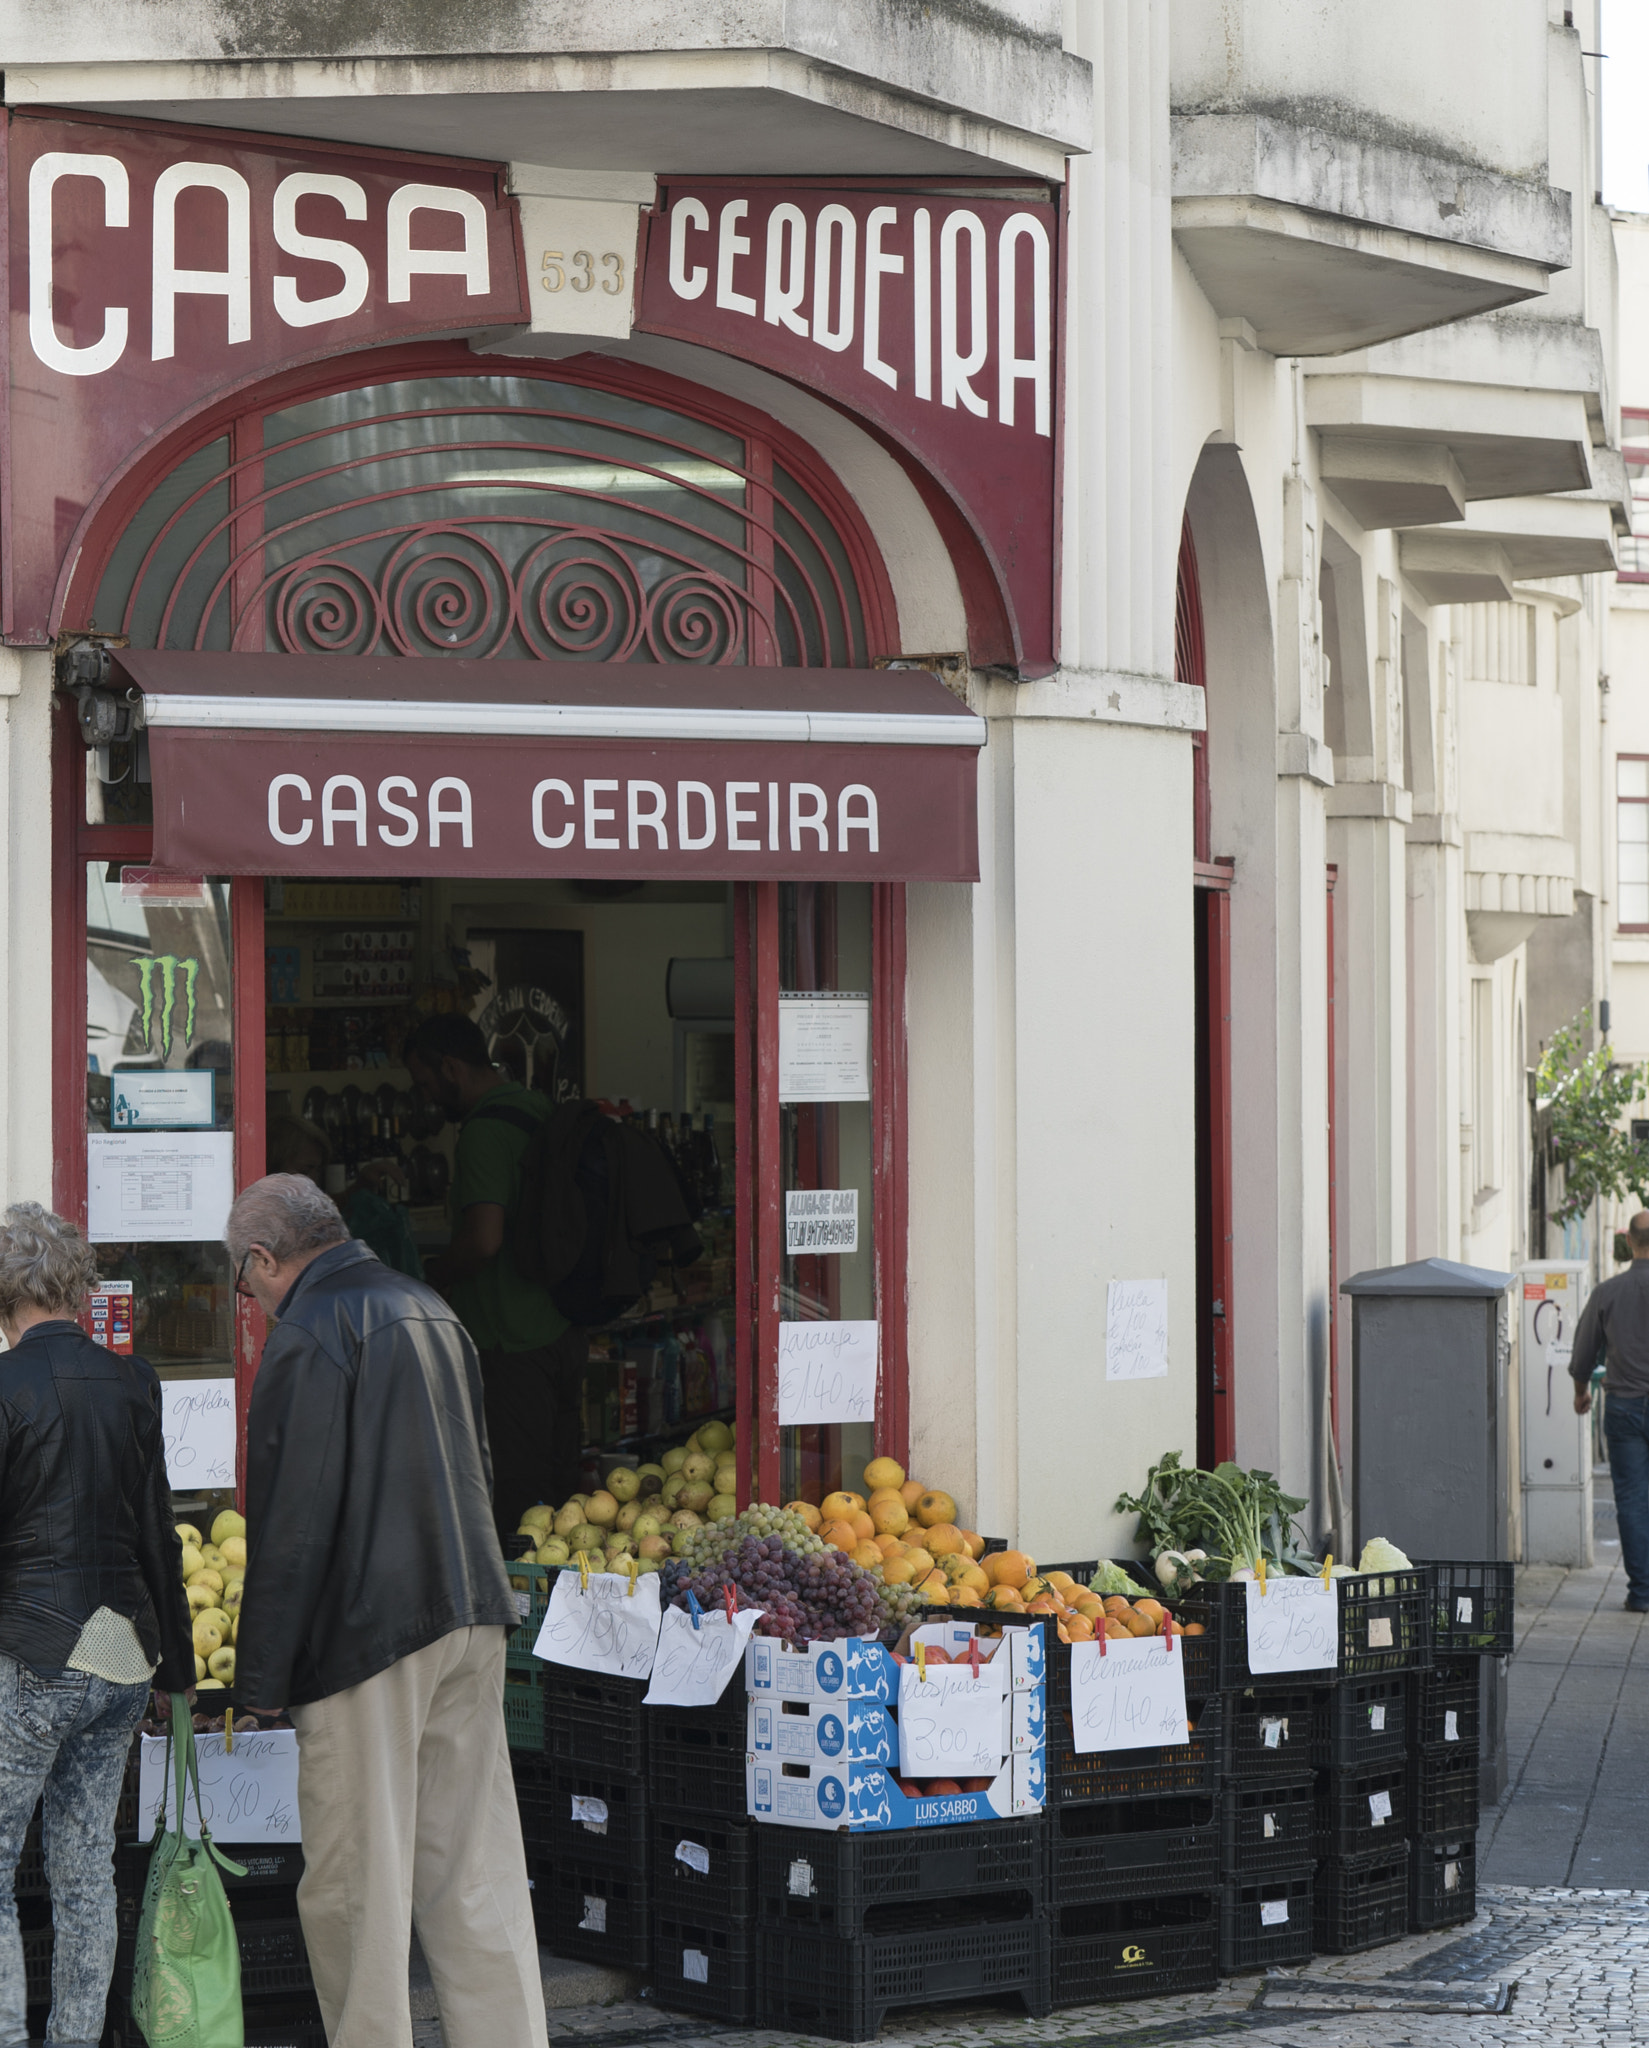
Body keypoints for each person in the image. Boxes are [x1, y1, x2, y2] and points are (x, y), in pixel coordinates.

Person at [228, 1174, 544, 2048]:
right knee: (471, 1867)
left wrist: (258, 1687)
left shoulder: (310, 1330)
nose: (248, 1301)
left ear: (264, 1259)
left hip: (369, 1637)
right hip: (473, 1610)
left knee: (356, 1886)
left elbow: (288, 1526)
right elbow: (480, 1466)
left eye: (243, 1282)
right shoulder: (432, 1307)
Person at [0, 1202, 194, 2048]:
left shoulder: (4, 1389)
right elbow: (159, 1535)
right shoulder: (133, 1382)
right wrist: (180, 1674)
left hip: (32, 1653)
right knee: (85, 1869)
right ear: (73, 1287)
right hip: (123, 1653)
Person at [404, 1014, 585, 1539]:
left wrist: (434, 1277)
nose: (427, 1097)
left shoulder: (484, 1132)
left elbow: (484, 1239)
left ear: (452, 1068)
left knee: (520, 1501)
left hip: (511, 1343)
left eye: (426, 1083)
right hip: (561, 1330)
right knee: (565, 1497)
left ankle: (526, 1613)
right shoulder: (537, 1108)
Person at [1571, 1208, 1649, 1612]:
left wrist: (1581, 1391)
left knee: (1633, 1499)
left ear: (1630, 1242)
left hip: (1623, 1406)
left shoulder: (1608, 1292)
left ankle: (1641, 1593)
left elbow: (1584, 1349)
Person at [264, 1111, 423, 1280]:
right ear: (273, 1166)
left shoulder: (308, 1215)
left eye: (318, 1171)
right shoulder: (263, 1219)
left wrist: (359, 1187)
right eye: (304, 1170)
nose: (312, 1181)